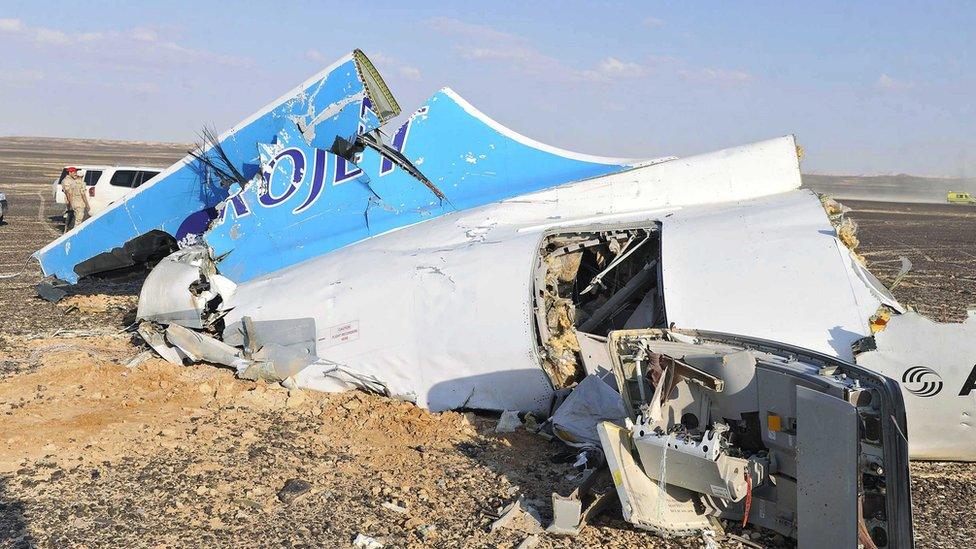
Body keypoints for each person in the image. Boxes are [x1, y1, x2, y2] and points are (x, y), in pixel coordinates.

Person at [61, 167, 90, 231]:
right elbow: (68, 193)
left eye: (76, 172)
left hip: (73, 201)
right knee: (73, 217)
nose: (75, 174)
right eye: (74, 172)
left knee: (73, 217)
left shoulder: (73, 180)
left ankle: (68, 231)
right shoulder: (66, 181)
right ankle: (71, 231)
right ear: (70, 172)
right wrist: (71, 203)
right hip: (71, 201)